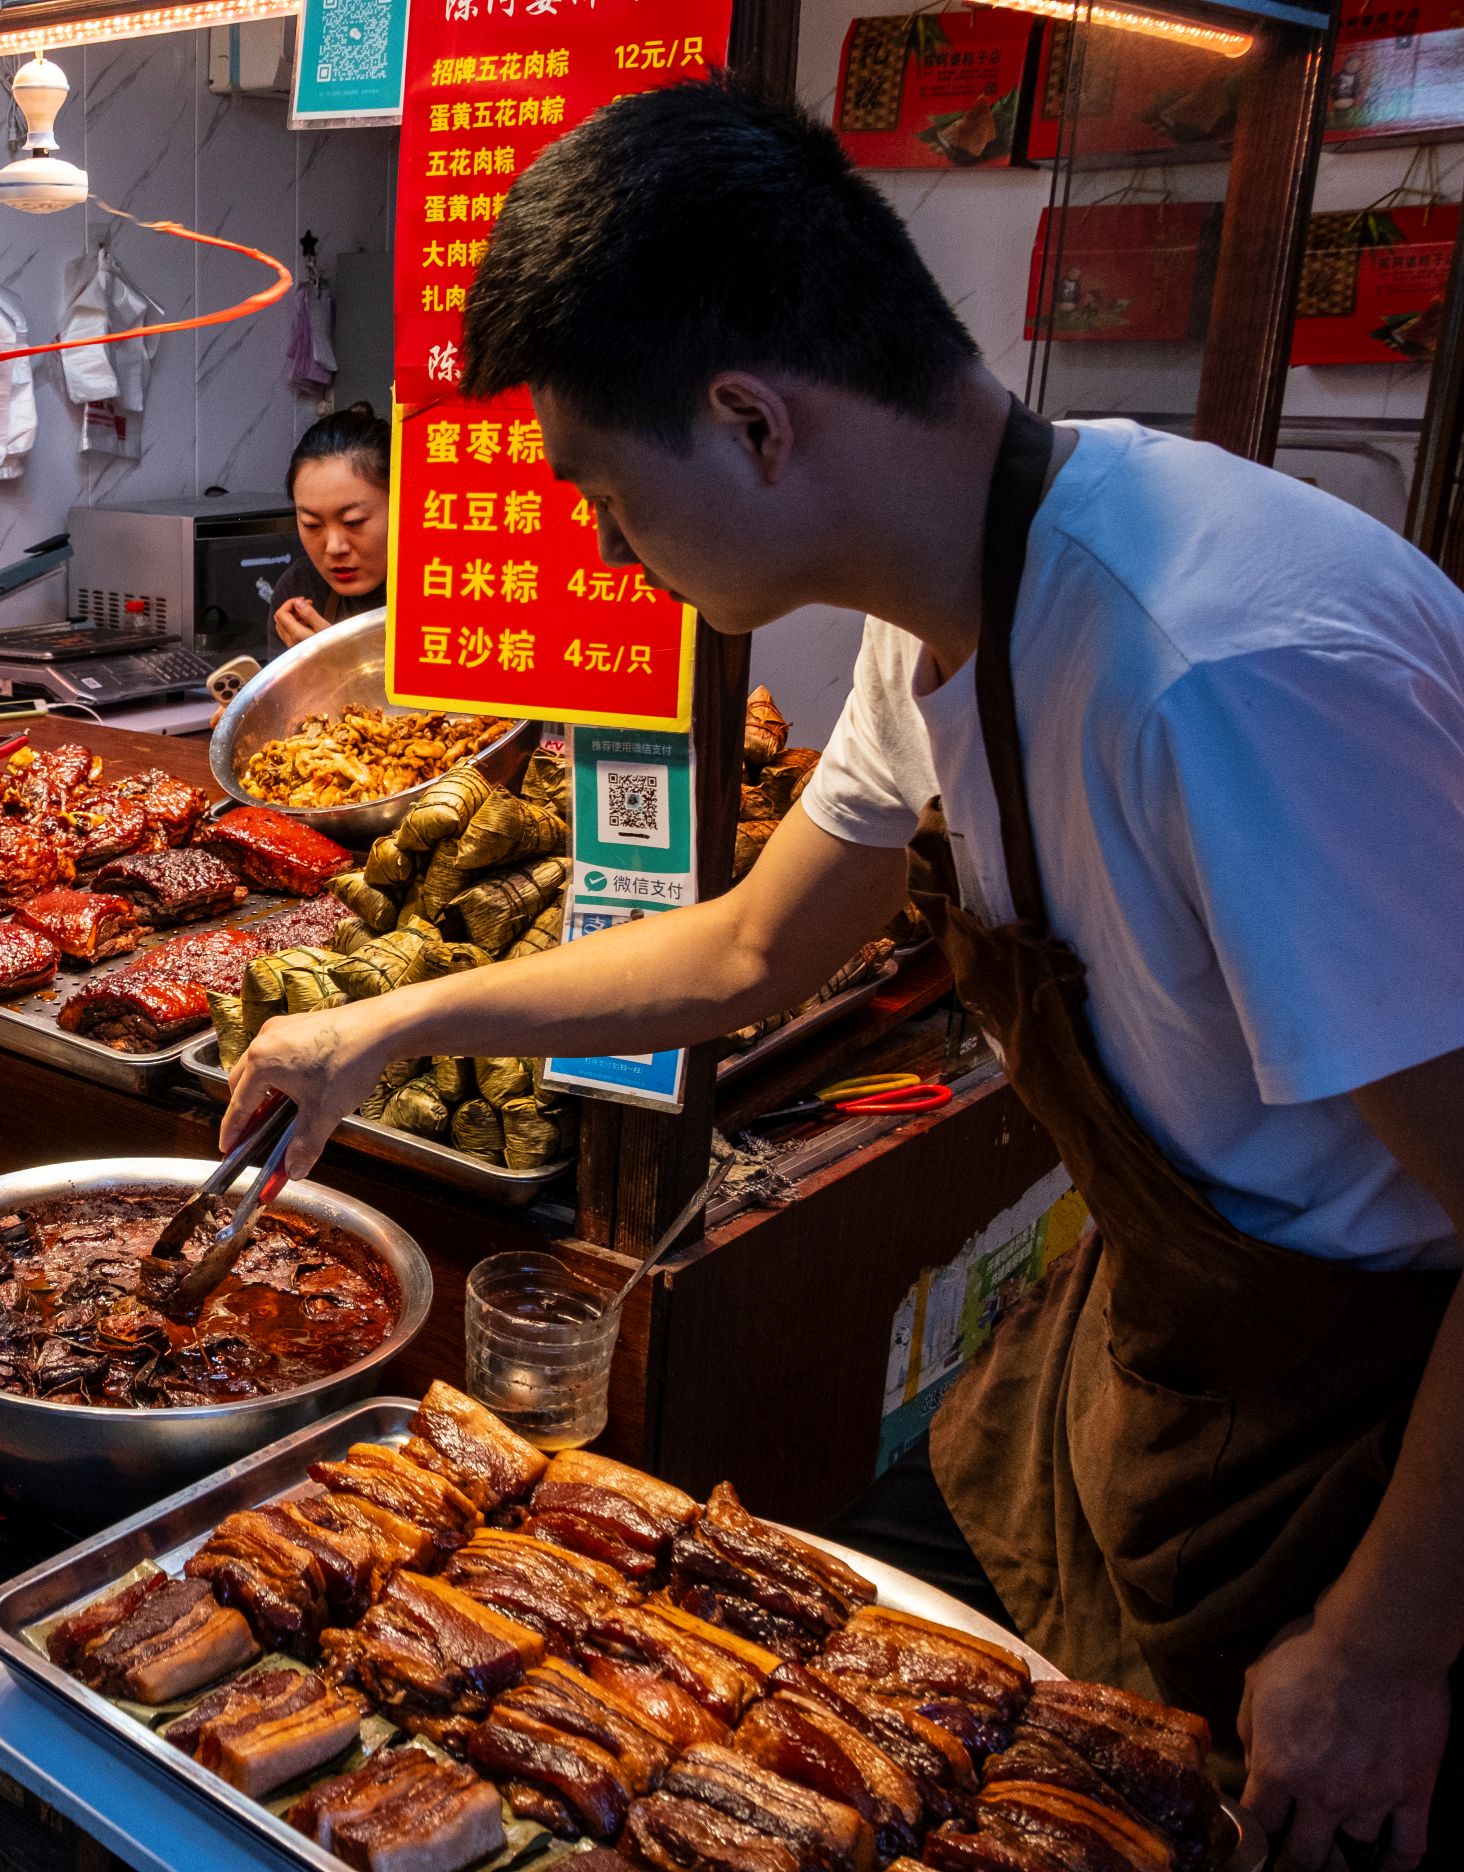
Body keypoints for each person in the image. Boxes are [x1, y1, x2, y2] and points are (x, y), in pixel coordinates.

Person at [223, 81, 1464, 1872]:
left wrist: (1383, 1642)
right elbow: (747, 949)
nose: (593, 544)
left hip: (1370, 1431)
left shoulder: (1223, 668)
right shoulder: (940, 606)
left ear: (748, 422)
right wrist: (387, 1020)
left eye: (599, 488)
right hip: (1159, 1350)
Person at [270, 403, 391, 647]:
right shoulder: (300, 588)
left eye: (353, 522)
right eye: (312, 524)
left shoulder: (446, 590)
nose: (334, 547)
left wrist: (336, 660)